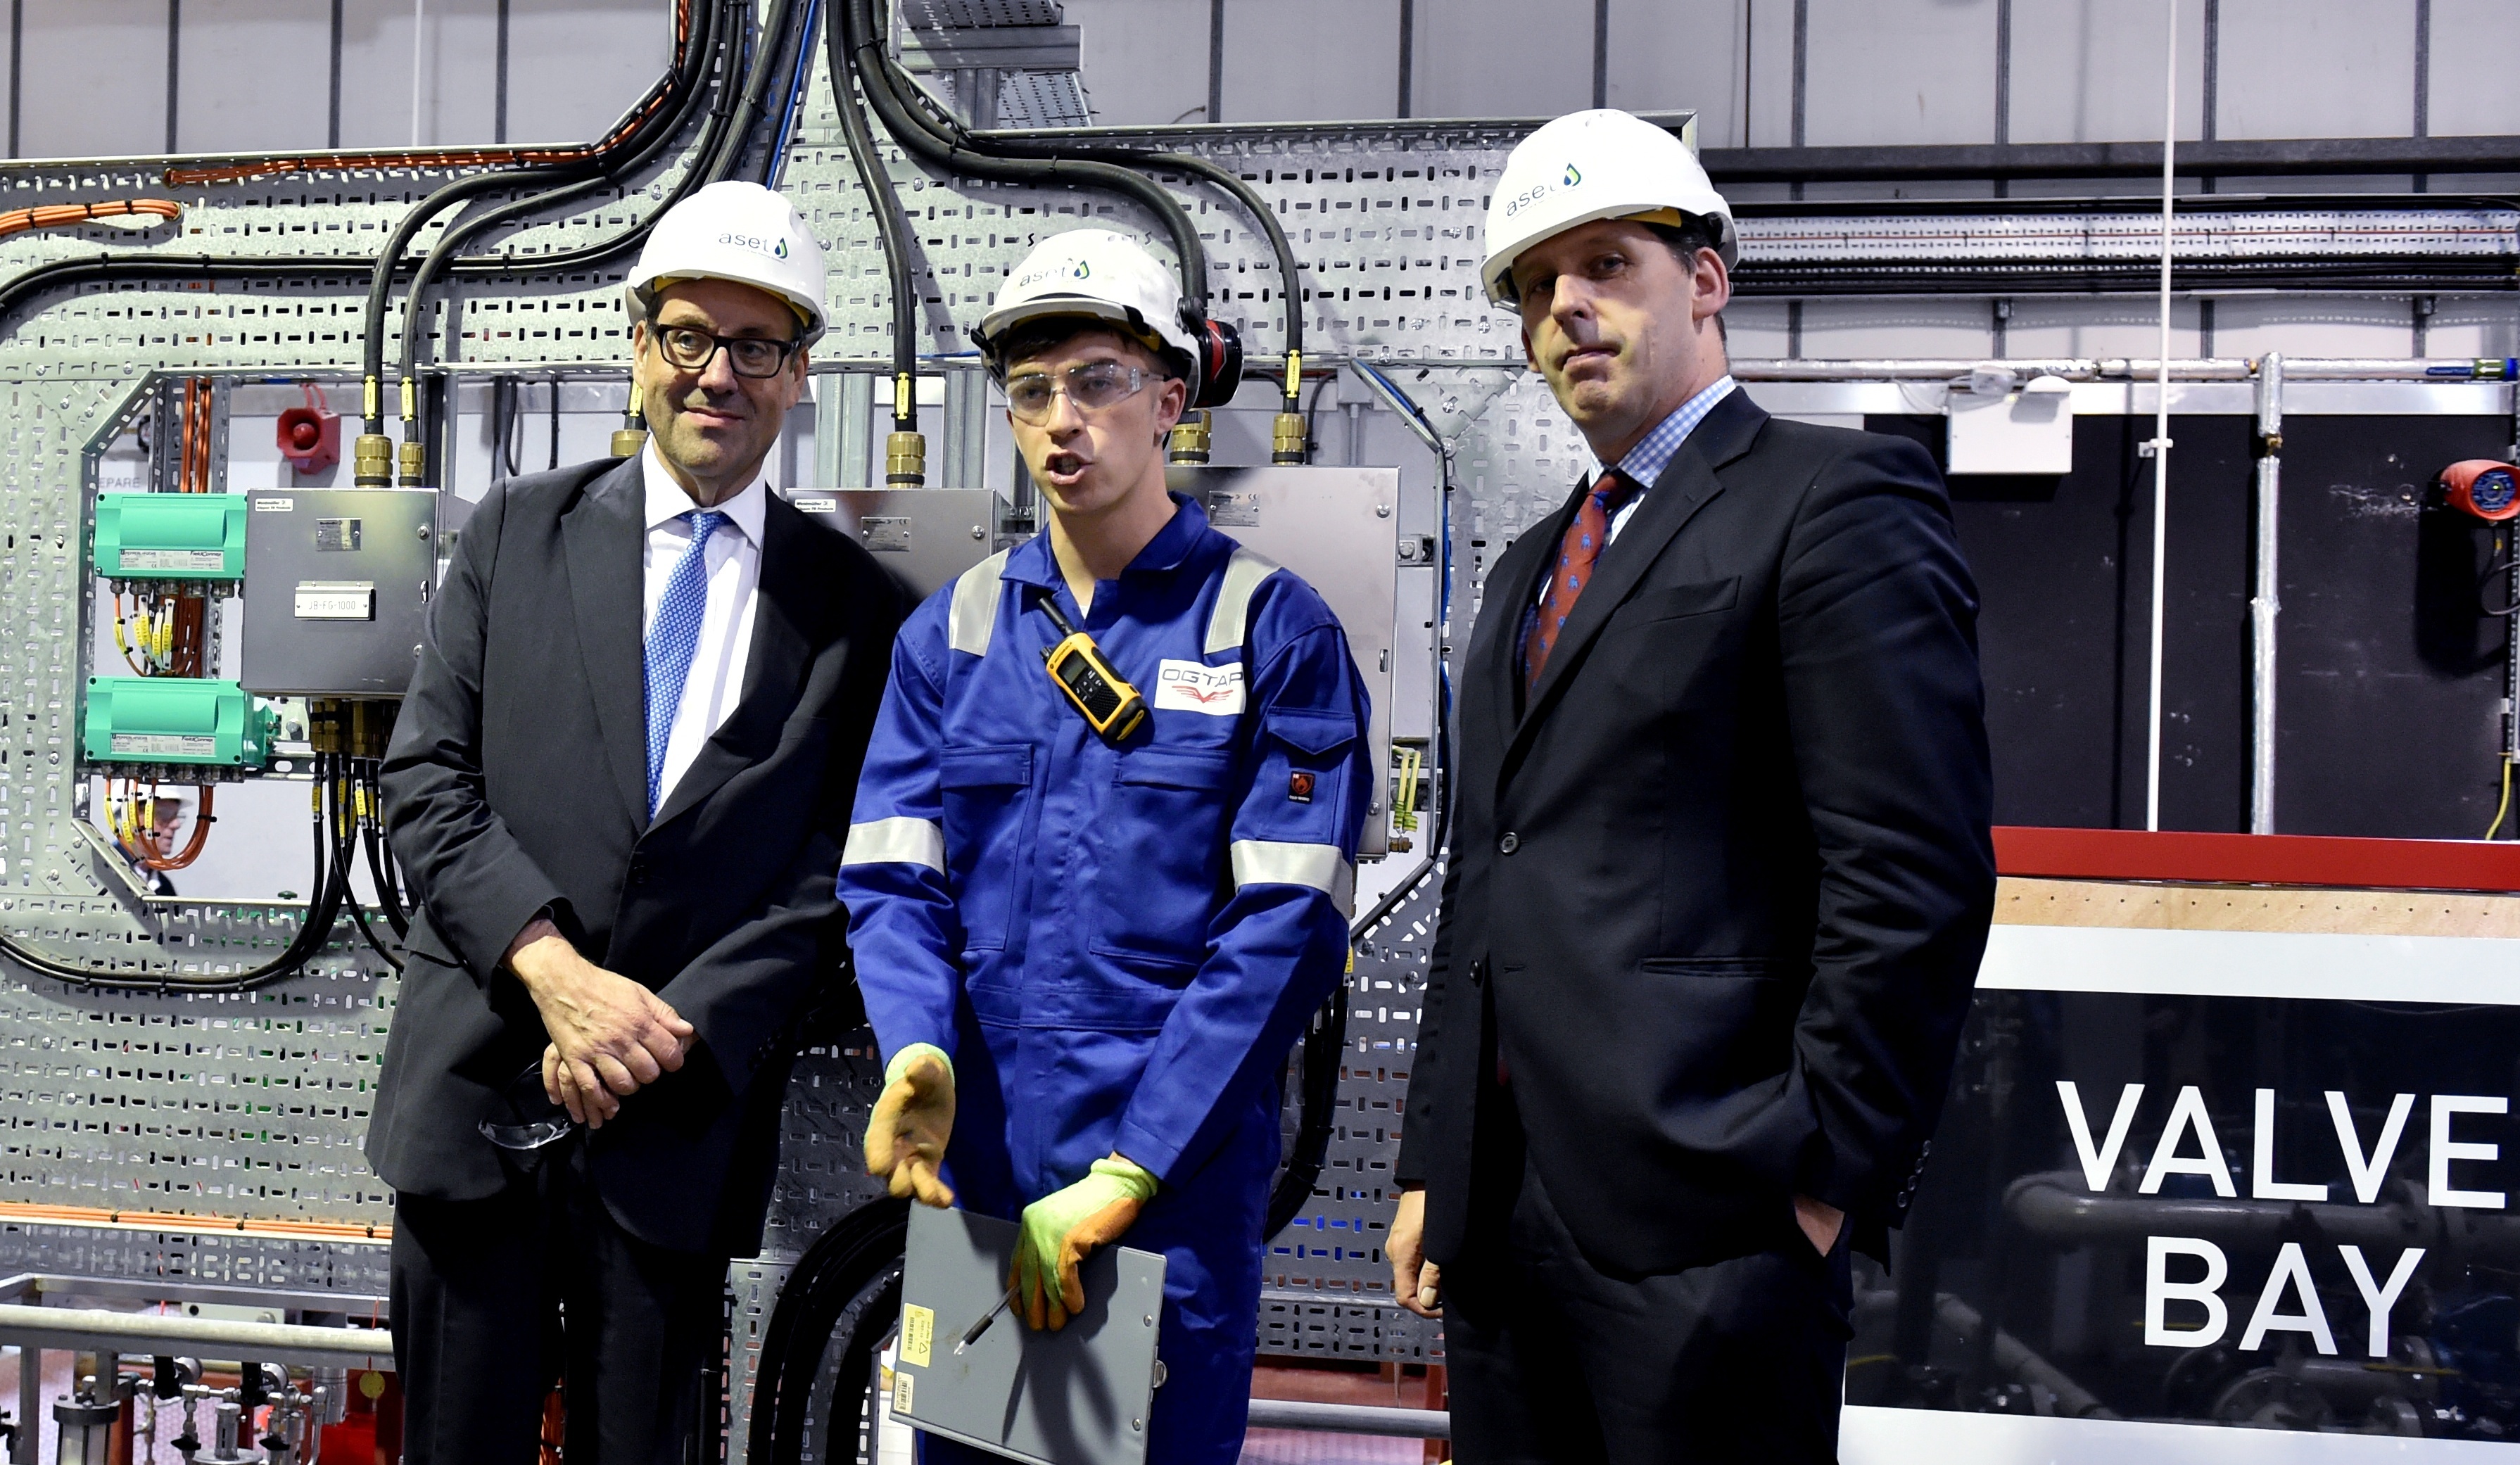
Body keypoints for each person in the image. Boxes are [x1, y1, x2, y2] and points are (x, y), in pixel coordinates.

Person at [1386, 109, 1996, 1464]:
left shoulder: (1830, 501)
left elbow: (1913, 874)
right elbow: (1488, 874)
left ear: (1707, 278)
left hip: (1711, 1225)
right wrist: (1436, 1161)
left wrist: (1818, 1174)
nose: (1567, 310)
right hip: (1505, 1222)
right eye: (1538, 287)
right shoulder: (1530, 564)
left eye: (1607, 265)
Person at [371, 179, 906, 1464]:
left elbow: (834, 877)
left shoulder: (857, 611)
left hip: (673, 1128)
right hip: (479, 1097)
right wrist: (557, 977)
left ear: (797, 374)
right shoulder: (517, 532)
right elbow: (426, 781)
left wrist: (650, 1034)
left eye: (756, 345)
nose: (717, 373)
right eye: (688, 336)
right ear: (638, 346)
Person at [837, 228, 1371, 1465]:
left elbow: (1285, 932)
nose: (1061, 418)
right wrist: (916, 1041)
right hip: (983, 1186)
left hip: (1162, 1197)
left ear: (1170, 398)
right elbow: (892, 878)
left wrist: (1128, 1174)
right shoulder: (954, 636)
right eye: (1031, 391)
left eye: (1098, 380)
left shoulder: (1270, 633)